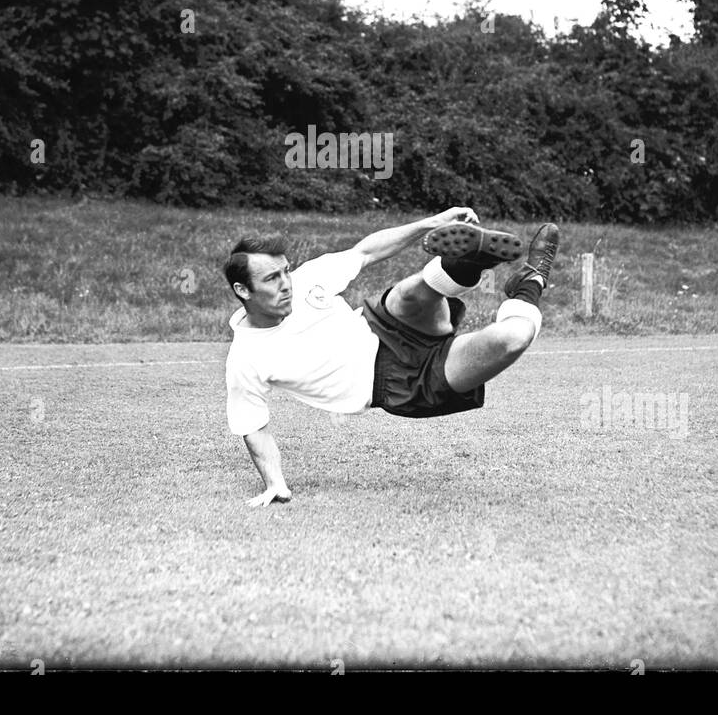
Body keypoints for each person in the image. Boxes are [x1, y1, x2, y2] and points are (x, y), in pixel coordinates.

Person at [222, 207, 560, 506]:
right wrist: (275, 483)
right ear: (243, 290)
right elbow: (254, 426)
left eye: (285, 271)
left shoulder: (307, 278)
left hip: (382, 327)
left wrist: (433, 223)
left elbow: (367, 251)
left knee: (408, 296)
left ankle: (471, 260)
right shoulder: (246, 358)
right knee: (513, 338)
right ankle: (530, 282)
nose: (286, 284)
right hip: (397, 385)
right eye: (271, 278)